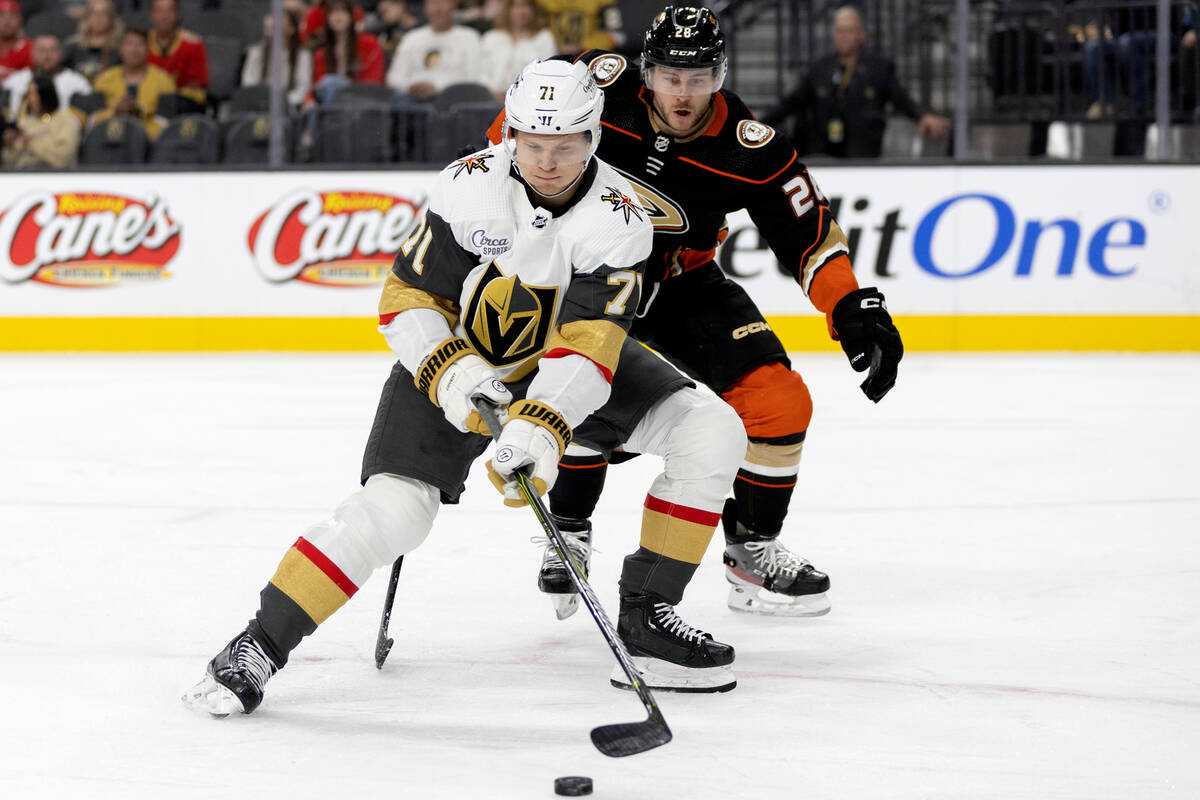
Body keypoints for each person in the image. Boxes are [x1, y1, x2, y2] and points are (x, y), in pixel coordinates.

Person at [182, 58, 748, 718]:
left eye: (564, 147)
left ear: (593, 137)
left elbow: (589, 342)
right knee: (393, 513)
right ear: (511, 133)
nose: (545, 162)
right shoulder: (468, 185)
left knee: (711, 430)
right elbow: (407, 298)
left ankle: (649, 616)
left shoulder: (621, 218)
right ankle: (257, 646)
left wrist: (537, 428)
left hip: (560, 368)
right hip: (453, 360)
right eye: (532, 144)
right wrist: (457, 377)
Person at [487, 6, 904, 618]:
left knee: (780, 400)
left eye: (699, 77)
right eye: (670, 76)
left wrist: (848, 305)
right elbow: (508, 143)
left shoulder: (749, 148)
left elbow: (809, 235)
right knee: (571, 380)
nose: (683, 94)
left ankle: (751, 549)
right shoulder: (593, 89)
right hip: (588, 283)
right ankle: (569, 529)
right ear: (645, 70)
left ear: (721, 74)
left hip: (684, 286)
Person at [763, 5, 949, 158]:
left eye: (849, 31)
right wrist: (759, 124)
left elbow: (900, 98)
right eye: (840, 31)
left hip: (863, 153)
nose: (844, 37)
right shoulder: (819, 69)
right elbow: (790, 103)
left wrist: (922, 116)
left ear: (861, 34)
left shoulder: (878, 69)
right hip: (822, 152)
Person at [386, 0, 483, 102]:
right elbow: (394, 78)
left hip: (453, 103)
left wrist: (438, 87)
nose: (437, 9)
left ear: (454, 5)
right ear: (425, 7)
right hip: (411, 103)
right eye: (432, 3)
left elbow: (474, 78)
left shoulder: (469, 37)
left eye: (443, 3)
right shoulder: (411, 38)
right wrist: (411, 86)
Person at [92, 28, 176, 139]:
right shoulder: (104, 80)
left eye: (140, 44)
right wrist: (115, 112)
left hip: (149, 143)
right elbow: (93, 119)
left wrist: (138, 133)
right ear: (120, 49)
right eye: (129, 44)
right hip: (109, 139)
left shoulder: (163, 81)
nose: (134, 50)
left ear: (148, 49)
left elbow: (166, 122)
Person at [310, 0, 386, 102]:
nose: (337, 16)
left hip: (362, 101)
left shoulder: (370, 44)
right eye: (332, 11)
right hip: (330, 106)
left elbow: (373, 82)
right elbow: (317, 86)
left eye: (342, 10)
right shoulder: (321, 53)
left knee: (330, 82)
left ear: (351, 15)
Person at [480, 0, 556, 101]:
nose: (521, 11)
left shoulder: (544, 38)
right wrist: (493, 93)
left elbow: (549, 75)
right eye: (515, 6)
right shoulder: (491, 37)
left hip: (530, 101)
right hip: (491, 101)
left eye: (526, 6)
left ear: (534, 10)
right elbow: (481, 74)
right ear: (507, 9)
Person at [3, 34, 91, 117]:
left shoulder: (78, 83)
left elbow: (83, 119)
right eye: (42, 50)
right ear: (32, 53)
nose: (47, 55)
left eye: (52, 50)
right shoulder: (14, 82)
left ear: (61, 53)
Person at [2, 75, 81, 168]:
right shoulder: (25, 122)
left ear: (47, 94)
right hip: (23, 177)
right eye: (29, 94)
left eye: (35, 94)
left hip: (57, 177)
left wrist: (31, 142)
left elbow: (63, 157)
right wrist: (10, 146)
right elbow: (7, 161)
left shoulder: (66, 120)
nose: (31, 100)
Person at [242, 7, 313, 109]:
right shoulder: (256, 52)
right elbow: (248, 84)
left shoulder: (303, 56)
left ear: (292, 29)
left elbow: (303, 88)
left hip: (290, 107)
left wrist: (283, 103)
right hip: (259, 107)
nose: (272, 23)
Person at [146, 0, 209, 111]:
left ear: (178, 14)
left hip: (181, 104)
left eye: (169, 11)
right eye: (159, 11)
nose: (164, 16)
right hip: (146, 101)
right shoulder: (141, 43)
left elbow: (197, 86)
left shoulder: (193, 44)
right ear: (152, 15)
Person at [62, 0, 124, 84]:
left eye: (104, 13)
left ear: (111, 18)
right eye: (94, 13)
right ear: (87, 16)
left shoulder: (120, 49)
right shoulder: (72, 47)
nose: (99, 17)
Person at [540, 0, 623, 55]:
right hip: (550, 56)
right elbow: (530, 33)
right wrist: (552, 47)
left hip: (591, 57)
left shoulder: (603, 2)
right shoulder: (541, 3)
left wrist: (582, 46)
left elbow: (617, 36)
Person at [0, 0, 32, 84]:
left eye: (12, 16)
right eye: (1, 15)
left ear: (20, 20)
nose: (6, 22)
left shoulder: (30, 48)